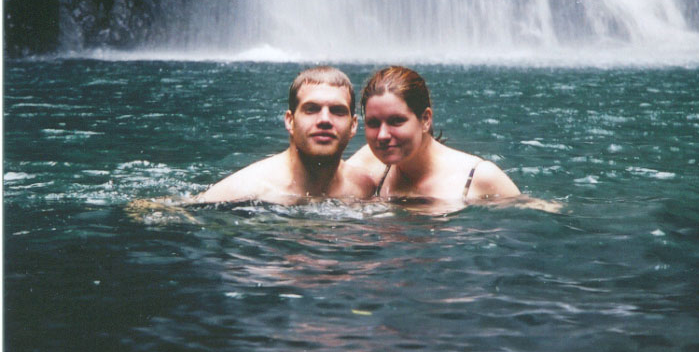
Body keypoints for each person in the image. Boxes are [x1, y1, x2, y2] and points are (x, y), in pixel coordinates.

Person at [348, 65, 526, 215]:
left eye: (397, 121)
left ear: (425, 119)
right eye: (373, 123)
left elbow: (527, 224)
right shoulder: (370, 163)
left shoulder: (480, 177)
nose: (382, 135)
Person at [195, 66, 376, 204]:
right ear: (290, 121)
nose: (324, 120)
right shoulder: (245, 191)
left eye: (337, 111)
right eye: (311, 109)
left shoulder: (364, 187)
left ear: (353, 126)